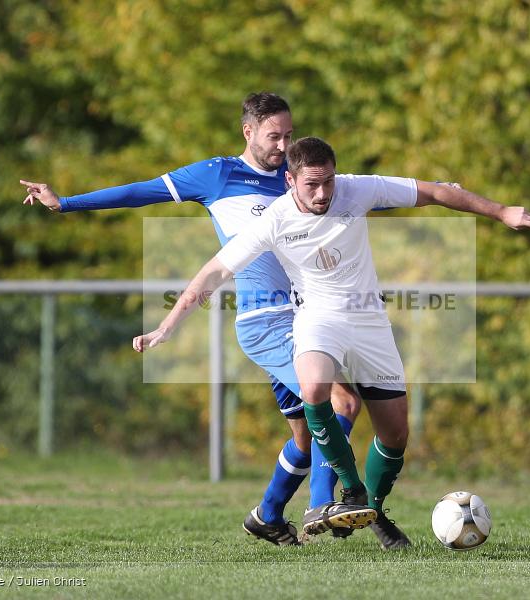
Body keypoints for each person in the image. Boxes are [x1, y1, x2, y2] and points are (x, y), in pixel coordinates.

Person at [133, 136, 530, 550]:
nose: (323, 192)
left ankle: (371, 507)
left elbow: (435, 192)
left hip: (369, 322)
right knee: (315, 389)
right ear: (289, 180)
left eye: (328, 181)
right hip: (317, 319)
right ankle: (346, 492)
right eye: (312, 184)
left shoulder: (356, 188)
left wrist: (501, 211)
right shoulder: (273, 220)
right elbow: (213, 273)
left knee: (396, 433)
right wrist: (166, 327)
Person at [19, 94, 371, 547]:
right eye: (274, 136)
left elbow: (360, 196)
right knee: (340, 403)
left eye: (288, 134)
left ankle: (267, 515)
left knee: (306, 437)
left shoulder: (299, 177)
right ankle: (323, 507)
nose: (285, 144)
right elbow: (138, 191)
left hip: (309, 316)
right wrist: (64, 203)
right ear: (248, 132)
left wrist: (440, 193)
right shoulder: (217, 175)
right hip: (269, 319)